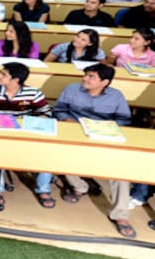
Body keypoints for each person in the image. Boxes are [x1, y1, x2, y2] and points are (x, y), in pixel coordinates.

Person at [53, 64, 135, 238]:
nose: (85, 79)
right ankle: (80, 186)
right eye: (86, 75)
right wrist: (69, 122)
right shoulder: (71, 89)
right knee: (60, 154)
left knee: (121, 172)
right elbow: (59, 110)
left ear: (104, 82)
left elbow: (124, 120)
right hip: (74, 132)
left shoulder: (116, 96)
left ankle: (120, 215)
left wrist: (103, 128)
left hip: (104, 136)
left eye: (91, 77)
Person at [0, 62, 54, 207]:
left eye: (3, 74)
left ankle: (43, 189)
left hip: (24, 133)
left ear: (16, 80)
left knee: (46, 153)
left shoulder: (33, 94)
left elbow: (46, 113)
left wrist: (27, 125)